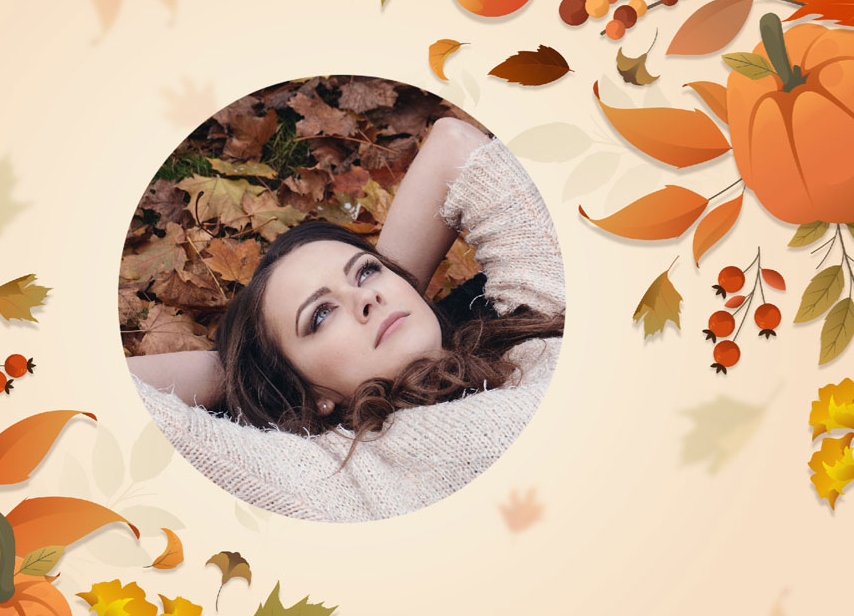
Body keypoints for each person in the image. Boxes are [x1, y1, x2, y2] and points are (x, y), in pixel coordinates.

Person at [128, 117, 565, 522]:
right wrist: (238, 368)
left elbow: (454, 145)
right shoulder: (332, 478)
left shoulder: (537, 318)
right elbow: (108, 399)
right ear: (310, 393)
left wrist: (397, 294)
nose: (367, 297)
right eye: (320, 314)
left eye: (367, 271)